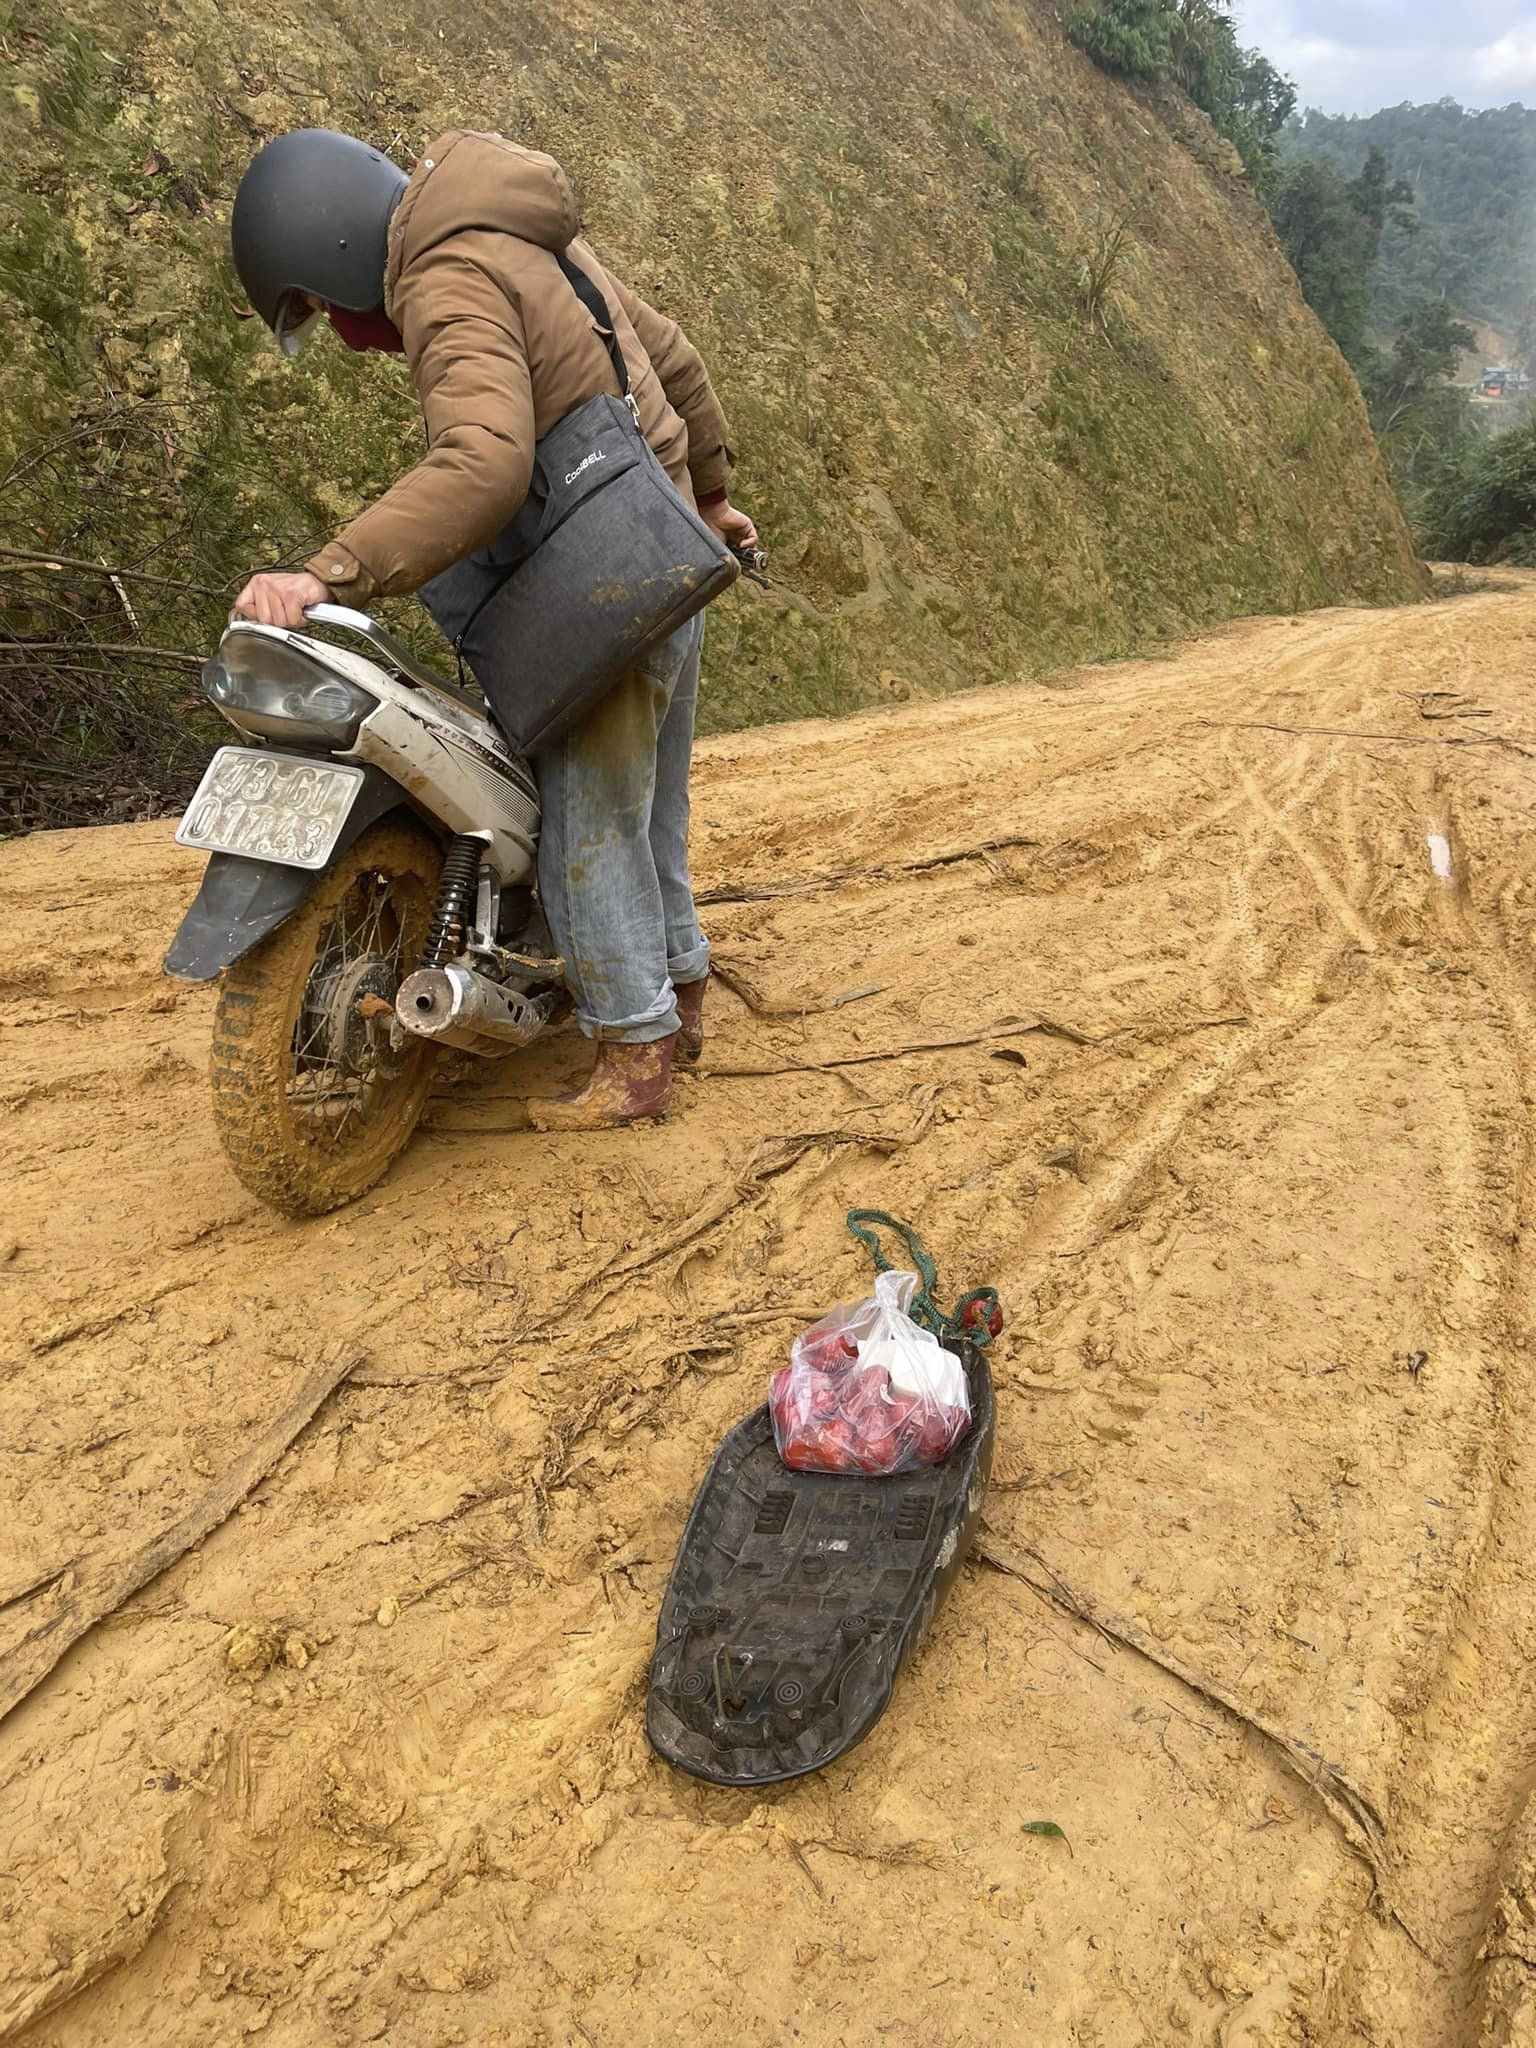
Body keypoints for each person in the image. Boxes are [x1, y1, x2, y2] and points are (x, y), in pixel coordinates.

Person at [227, 127, 758, 1129]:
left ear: (335, 252)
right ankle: (681, 994)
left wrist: (325, 571)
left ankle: (633, 1051)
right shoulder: (525, 229)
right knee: (650, 812)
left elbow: (483, 462)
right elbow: (674, 357)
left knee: (586, 821)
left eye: (322, 303)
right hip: (665, 547)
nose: (341, 327)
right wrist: (715, 498)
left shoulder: (442, 274)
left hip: (603, 589)